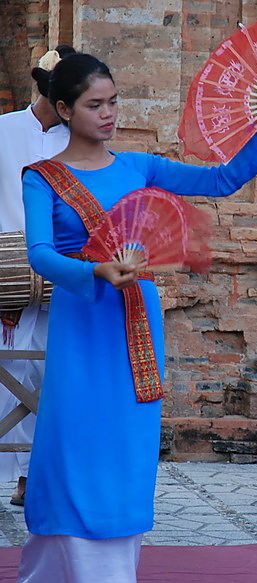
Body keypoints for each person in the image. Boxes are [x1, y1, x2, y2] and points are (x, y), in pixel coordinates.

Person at [17, 52, 257, 583]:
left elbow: (221, 181)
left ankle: (115, 557)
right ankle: (59, 557)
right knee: (74, 429)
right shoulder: (43, 177)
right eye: (94, 104)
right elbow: (40, 254)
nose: (108, 113)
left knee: (128, 433)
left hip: (136, 316)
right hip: (84, 313)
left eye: (113, 101)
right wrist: (97, 270)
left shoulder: (138, 166)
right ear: (64, 109)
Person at [0, 45, 75, 506]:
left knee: (51, 368)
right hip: (5, 270)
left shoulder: (80, 143)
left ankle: (35, 474)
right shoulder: (4, 132)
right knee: (10, 369)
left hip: (59, 272)